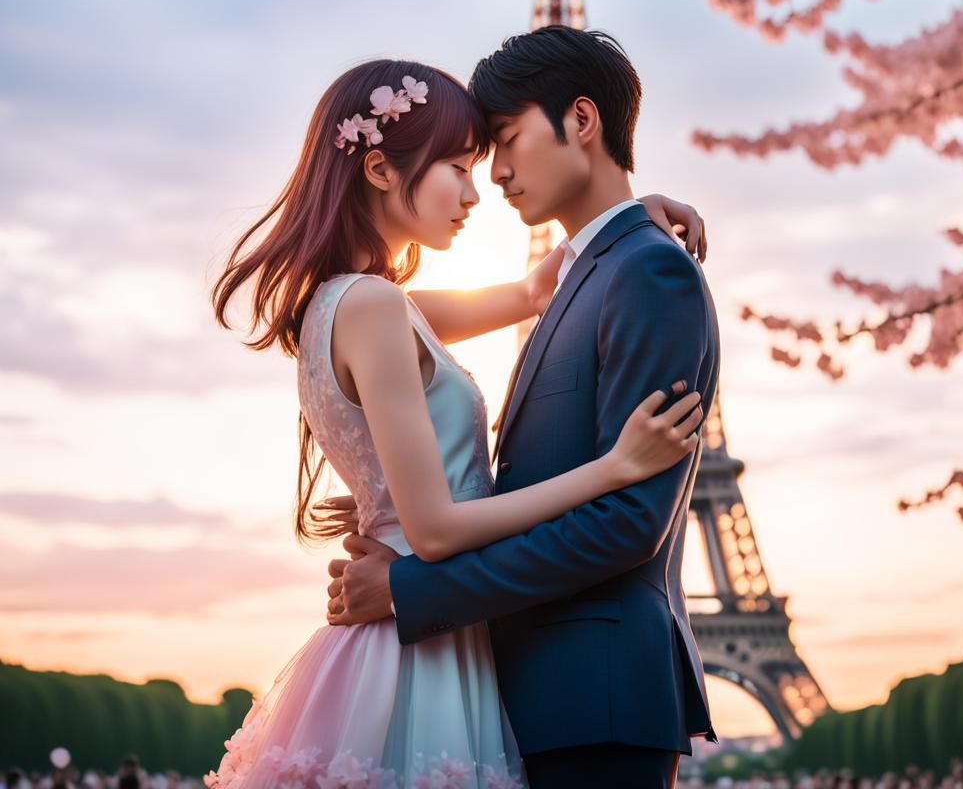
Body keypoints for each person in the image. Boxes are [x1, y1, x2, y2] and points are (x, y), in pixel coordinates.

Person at [208, 53, 709, 789]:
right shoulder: (378, 308)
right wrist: (608, 470)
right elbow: (437, 529)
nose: (478, 191)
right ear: (380, 171)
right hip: (422, 650)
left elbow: (539, 287)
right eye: (459, 167)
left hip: (407, 644)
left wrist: (629, 214)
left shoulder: (346, 306)